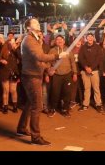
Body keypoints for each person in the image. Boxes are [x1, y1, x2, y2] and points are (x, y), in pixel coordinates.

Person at [16, 18, 68, 146]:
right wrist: (57, 56)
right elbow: (40, 57)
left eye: (38, 22)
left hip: (34, 74)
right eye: (34, 22)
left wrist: (47, 68)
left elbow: (37, 61)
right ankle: (36, 137)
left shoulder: (35, 39)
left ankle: (22, 128)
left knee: (30, 103)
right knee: (37, 106)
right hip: (31, 76)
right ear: (28, 27)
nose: (38, 23)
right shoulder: (29, 39)